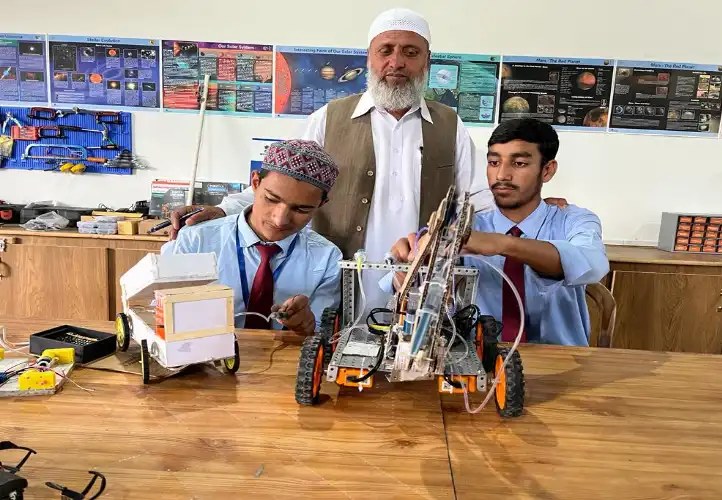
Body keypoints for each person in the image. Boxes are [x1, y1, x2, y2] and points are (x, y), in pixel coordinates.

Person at [166, 7, 495, 314]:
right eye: (386, 50)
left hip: (419, 287)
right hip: (338, 285)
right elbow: (281, 182)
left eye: (410, 52)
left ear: (427, 61)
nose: (397, 62)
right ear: (370, 57)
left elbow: (479, 202)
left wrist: (542, 214)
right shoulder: (329, 118)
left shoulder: (451, 126)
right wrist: (224, 209)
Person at [386, 118, 609, 346]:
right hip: (478, 361)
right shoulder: (466, 228)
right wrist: (407, 270)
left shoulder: (573, 221)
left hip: (562, 362)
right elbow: (405, 285)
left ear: (547, 170)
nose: (502, 175)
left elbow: (591, 264)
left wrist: (503, 244)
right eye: (494, 162)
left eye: (519, 163)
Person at [161, 140, 342, 336]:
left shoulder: (327, 258)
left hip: (284, 363)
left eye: (301, 209)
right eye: (271, 199)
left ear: (321, 204)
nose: (280, 220)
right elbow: (158, 316)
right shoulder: (196, 241)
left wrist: (306, 325)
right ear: (255, 183)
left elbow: (323, 334)